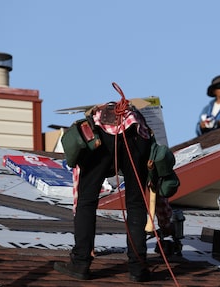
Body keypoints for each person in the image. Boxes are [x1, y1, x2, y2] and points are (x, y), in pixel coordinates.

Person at [54, 97, 153, 282]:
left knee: (86, 201)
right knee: (136, 203)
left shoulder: (94, 120)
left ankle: (81, 263)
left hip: (103, 139)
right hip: (135, 136)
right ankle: (138, 268)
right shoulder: (137, 117)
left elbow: (80, 190)